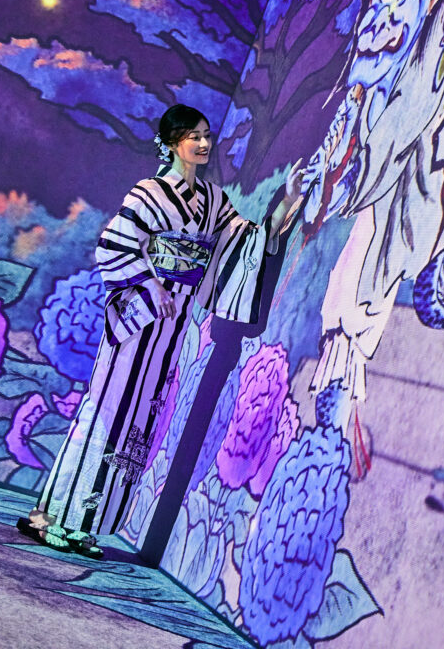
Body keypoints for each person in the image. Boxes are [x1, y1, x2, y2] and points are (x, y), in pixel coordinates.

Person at [17, 104, 304, 558]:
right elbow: (114, 245)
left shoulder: (213, 202)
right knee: (106, 412)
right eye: (194, 136)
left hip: (175, 324)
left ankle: (85, 523)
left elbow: (244, 243)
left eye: (207, 135)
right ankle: (55, 516)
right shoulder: (148, 193)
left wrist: (285, 204)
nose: (204, 143)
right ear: (171, 143)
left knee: (139, 421)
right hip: (140, 319)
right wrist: (151, 286)